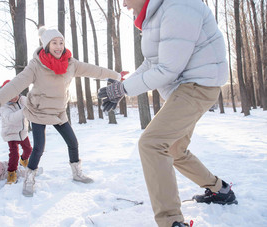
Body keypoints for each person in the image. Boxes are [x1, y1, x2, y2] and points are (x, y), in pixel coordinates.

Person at [98, 0, 237, 227]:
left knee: (152, 143)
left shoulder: (178, 6)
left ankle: (171, 221)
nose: (122, 3)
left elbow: (168, 69)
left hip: (198, 85)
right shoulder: (156, 13)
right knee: (174, 149)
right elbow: (151, 63)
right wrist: (122, 88)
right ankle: (220, 190)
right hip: (187, 87)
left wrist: (123, 88)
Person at [0, 27, 123, 197]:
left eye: (61, 42)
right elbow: (17, 83)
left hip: (59, 111)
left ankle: (77, 173)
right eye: (54, 43)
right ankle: (29, 178)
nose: (59, 46)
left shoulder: (71, 63)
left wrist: (116, 76)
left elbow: (94, 70)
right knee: (38, 148)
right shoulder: (36, 65)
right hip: (39, 110)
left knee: (73, 143)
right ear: (46, 45)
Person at [0, 80, 32, 184]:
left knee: (28, 149)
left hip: (22, 132)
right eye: (10, 95)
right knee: (14, 154)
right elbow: (10, 118)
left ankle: (24, 160)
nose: (13, 97)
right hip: (11, 133)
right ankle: (11, 172)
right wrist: (24, 111)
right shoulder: (3, 106)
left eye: (15, 94)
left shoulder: (22, 99)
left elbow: (31, 104)